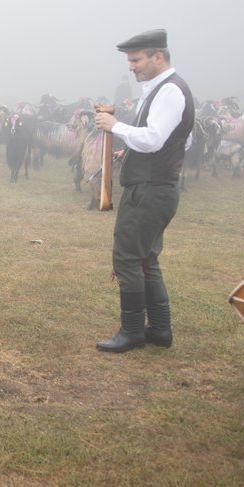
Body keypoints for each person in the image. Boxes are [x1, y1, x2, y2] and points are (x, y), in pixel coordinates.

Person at [93, 29, 194, 353]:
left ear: (158, 57)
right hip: (157, 187)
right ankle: (160, 329)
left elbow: (153, 138)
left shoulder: (170, 91)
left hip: (150, 192)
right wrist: (130, 151)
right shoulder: (162, 90)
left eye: (136, 60)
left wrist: (115, 127)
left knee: (127, 258)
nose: (131, 67)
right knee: (147, 259)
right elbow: (178, 140)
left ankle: (133, 331)